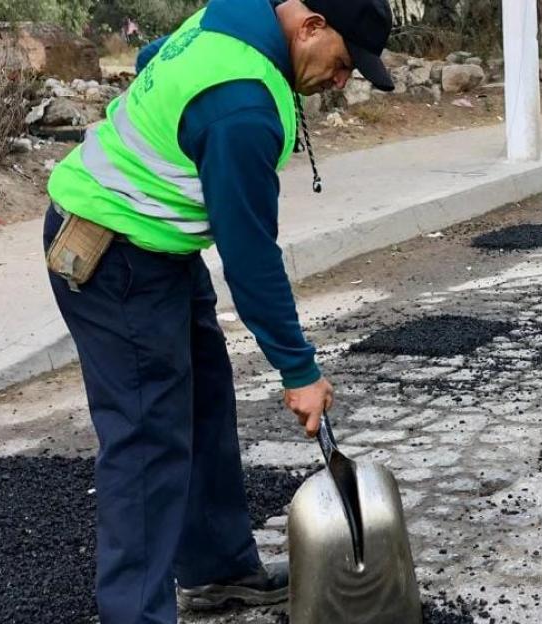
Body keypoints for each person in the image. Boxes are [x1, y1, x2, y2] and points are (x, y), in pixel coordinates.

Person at [41, 0, 395, 621]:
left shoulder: (230, 17)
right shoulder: (243, 107)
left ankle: (217, 571)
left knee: (204, 402)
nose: (341, 81)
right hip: (112, 252)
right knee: (147, 441)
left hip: (158, 245)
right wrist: (299, 370)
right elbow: (250, 257)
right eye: (344, 63)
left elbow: (152, 58)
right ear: (312, 26)